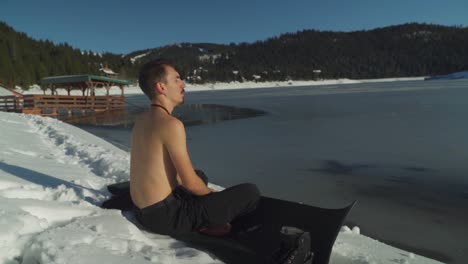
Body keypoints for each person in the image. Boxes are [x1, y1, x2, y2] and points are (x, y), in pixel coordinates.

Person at [130, 59, 261, 237]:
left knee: (200, 175)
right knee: (250, 192)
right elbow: (189, 183)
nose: (183, 84)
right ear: (161, 87)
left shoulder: (141, 119)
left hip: (142, 210)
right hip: (166, 218)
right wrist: (212, 197)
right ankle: (205, 224)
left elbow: (166, 171)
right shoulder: (172, 124)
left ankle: (205, 215)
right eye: (177, 79)